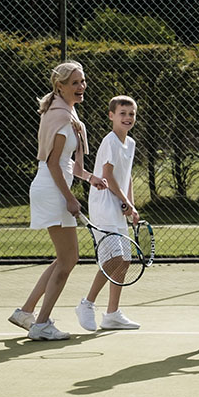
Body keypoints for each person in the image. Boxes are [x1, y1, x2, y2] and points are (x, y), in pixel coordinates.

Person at [10, 61, 106, 341]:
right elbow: (53, 164)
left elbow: (70, 167)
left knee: (63, 259)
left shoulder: (66, 113)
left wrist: (90, 179)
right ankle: (41, 325)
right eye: (75, 82)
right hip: (52, 189)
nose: (81, 87)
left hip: (53, 186)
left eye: (83, 81)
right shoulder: (62, 118)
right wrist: (70, 198)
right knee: (69, 259)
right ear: (60, 86)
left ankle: (26, 312)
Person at [75, 95, 142, 332]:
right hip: (103, 205)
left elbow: (127, 178)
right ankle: (87, 303)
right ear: (111, 116)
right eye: (122, 113)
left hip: (118, 205)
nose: (127, 118)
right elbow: (108, 176)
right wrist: (125, 202)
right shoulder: (110, 141)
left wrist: (130, 206)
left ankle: (112, 314)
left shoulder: (130, 143)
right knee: (112, 259)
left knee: (124, 260)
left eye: (131, 114)